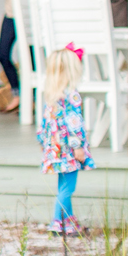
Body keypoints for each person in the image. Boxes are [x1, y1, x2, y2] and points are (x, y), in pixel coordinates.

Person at [36, 43, 93, 237]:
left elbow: (45, 123)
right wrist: (78, 147)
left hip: (56, 147)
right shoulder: (72, 95)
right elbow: (74, 124)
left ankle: (69, 220)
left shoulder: (52, 95)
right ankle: (58, 222)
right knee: (68, 188)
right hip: (69, 149)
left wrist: (44, 142)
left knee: (63, 186)